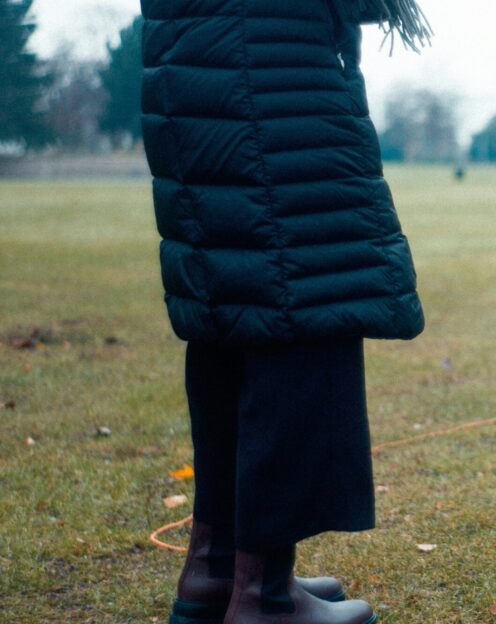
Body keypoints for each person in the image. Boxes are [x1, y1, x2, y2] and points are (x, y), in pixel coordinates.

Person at [139, 1, 431, 622]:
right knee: (305, 304)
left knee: (239, 306)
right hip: (268, 71)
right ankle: (264, 594)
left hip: (194, 67)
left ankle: (216, 571)